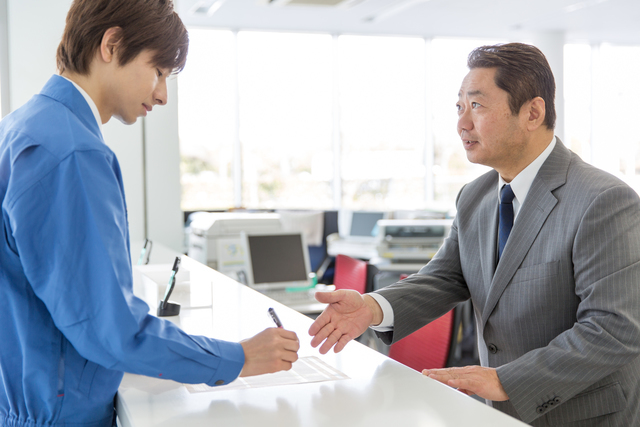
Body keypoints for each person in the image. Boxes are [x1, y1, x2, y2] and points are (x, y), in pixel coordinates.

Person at [0, 1, 299, 426]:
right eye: (157, 71)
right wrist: (239, 357)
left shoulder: (22, 126)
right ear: (112, 44)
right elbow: (112, 331)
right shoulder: (73, 152)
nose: (161, 94)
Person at [309, 43, 640, 426]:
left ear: (533, 112)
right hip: (499, 413)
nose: (462, 123)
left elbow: (614, 329)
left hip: (583, 416)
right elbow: (446, 277)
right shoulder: (476, 196)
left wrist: (509, 380)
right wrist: (373, 307)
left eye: (477, 106)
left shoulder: (604, 201)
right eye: (459, 107)